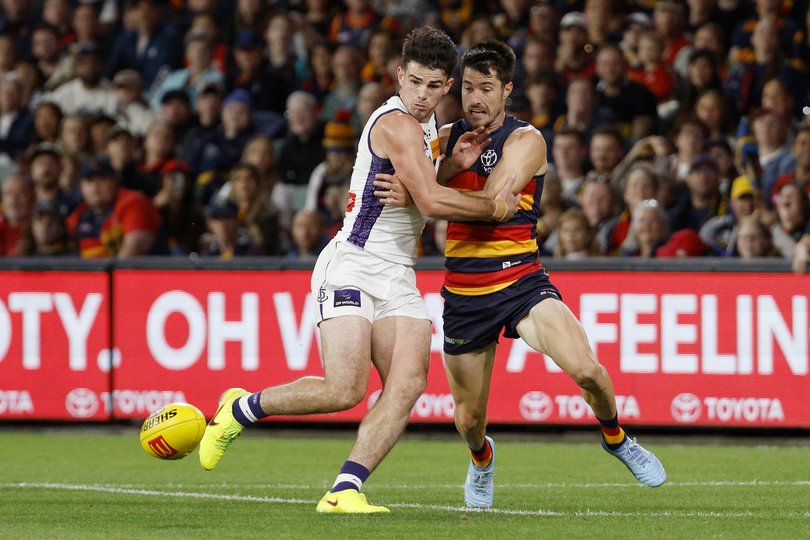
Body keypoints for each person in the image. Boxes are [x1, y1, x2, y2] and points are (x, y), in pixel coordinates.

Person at [197, 26, 521, 514]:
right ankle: (240, 408)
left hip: (398, 273)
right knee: (344, 389)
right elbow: (431, 202)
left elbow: (424, 188)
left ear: (447, 86)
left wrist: (450, 167)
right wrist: (495, 207)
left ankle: (345, 489)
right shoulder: (396, 122)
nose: (421, 94)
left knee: (409, 383)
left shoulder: (429, 126)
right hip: (352, 263)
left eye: (434, 86)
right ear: (399, 76)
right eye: (414, 82)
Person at [379, 40, 666, 509]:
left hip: (521, 281)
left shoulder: (525, 140)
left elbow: (493, 206)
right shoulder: (445, 137)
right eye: (468, 87)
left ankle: (616, 438)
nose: (475, 98)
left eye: (486, 88)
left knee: (588, 370)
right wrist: (435, 180)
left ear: (507, 90)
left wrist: (422, 194)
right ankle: (482, 459)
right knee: (470, 418)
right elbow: (417, 188)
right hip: (465, 292)